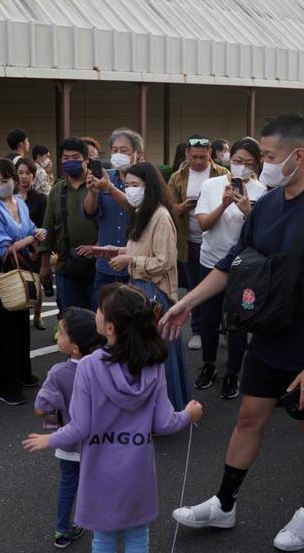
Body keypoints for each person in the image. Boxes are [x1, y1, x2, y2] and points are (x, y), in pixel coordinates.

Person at [166, 114, 304, 551]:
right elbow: (233, 264)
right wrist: (185, 303)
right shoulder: (270, 205)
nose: (263, 166)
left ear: (299, 156)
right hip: (269, 338)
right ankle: (224, 503)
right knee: (248, 417)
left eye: (271, 157)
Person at [23, 283, 203, 553]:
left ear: (109, 328)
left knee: (103, 540)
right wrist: (189, 414)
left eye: (98, 309)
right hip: (137, 472)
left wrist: (50, 439)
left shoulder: (88, 366)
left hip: (99, 472)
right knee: (137, 538)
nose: (95, 312)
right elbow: (164, 423)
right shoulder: (152, 365)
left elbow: (80, 426)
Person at [108, 162, 190, 411]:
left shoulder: (160, 216)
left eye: (135, 185)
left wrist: (129, 260)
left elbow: (164, 261)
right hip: (141, 291)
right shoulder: (143, 212)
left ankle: (164, 410)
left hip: (155, 294)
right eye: (127, 185)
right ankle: (151, 410)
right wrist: (118, 251)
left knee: (155, 354)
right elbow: (143, 249)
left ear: (149, 186)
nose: (129, 190)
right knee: (146, 353)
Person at [192, 137, 266, 399]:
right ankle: (209, 365)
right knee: (209, 319)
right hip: (211, 263)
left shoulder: (262, 191)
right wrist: (223, 204)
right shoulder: (211, 185)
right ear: (227, 160)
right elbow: (202, 225)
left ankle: (233, 372)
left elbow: (264, 236)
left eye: (248, 163)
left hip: (246, 271)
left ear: (257, 164)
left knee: (239, 322)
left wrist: (248, 211)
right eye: (236, 161)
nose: (241, 167)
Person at [33, 307, 106, 549]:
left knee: (68, 484)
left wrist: (53, 425)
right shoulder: (104, 367)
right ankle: (103, 528)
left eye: (61, 332)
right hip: (100, 441)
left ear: (74, 347)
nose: (56, 336)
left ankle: (63, 530)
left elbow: (42, 408)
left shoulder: (59, 373)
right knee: (98, 483)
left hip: (68, 440)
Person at [0, 158, 46, 404]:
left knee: (21, 322)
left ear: (14, 180)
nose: (0, 185)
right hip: (2, 271)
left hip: (22, 267)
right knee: (9, 326)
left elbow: (30, 228)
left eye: (4, 180)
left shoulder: (20, 201)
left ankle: (22, 374)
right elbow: (2, 248)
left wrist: (39, 233)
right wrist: (32, 238)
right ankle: (7, 388)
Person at [166, 135, 229, 351]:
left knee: (225, 288)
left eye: (203, 157)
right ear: (187, 155)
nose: (199, 161)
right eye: (194, 157)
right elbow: (169, 207)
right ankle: (198, 330)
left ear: (210, 153)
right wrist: (183, 207)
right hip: (190, 240)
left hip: (218, 240)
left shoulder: (223, 174)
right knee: (196, 287)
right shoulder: (177, 176)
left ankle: (223, 327)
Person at [83, 128, 141, 309]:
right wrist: (92, 192)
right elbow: (89, 212)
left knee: (131, 318)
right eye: (115, 150)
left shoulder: (145, 180)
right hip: (105, 265)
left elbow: (136, 208)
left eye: (124, 151)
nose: (118, 154)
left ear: (137, 154)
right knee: (102, 315)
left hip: (134, 264)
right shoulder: (105, 177)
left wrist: (109, 189)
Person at [39, 138, 99, 311]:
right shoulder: (57, 190)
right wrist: (44, 266)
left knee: (99, 320)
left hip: (99, 265)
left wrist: (97, 247)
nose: (70, 161)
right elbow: (48, 227)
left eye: (75, 157)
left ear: (86, 159)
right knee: (72, 319)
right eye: (66, 158)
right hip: (66, 267)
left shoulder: (99, 185)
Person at [14, 156, 49, 330]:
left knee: (36, 284)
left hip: (34, 249)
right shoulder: (8, 198)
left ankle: (37, 315)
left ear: (34, 177)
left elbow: (44, 225)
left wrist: (40, 250)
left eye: (28, 173)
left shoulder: (40, 199)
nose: (24, 176)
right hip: (14, 250)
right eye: (20, 172)